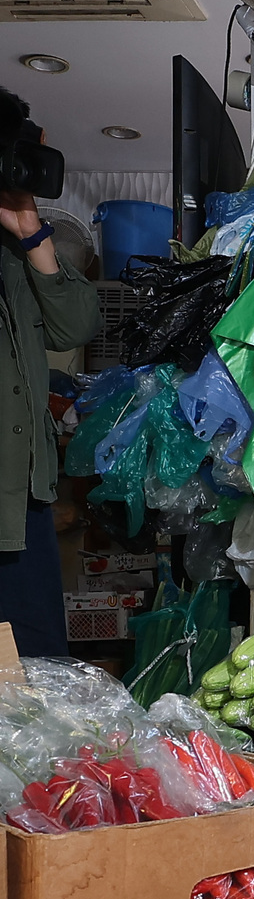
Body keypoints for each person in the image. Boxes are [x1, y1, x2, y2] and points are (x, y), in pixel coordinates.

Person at [0, 88, 100, 656]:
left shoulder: (18, 250)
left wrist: (32, 233)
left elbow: (76, 327)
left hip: (24, 498)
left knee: (38, 677)